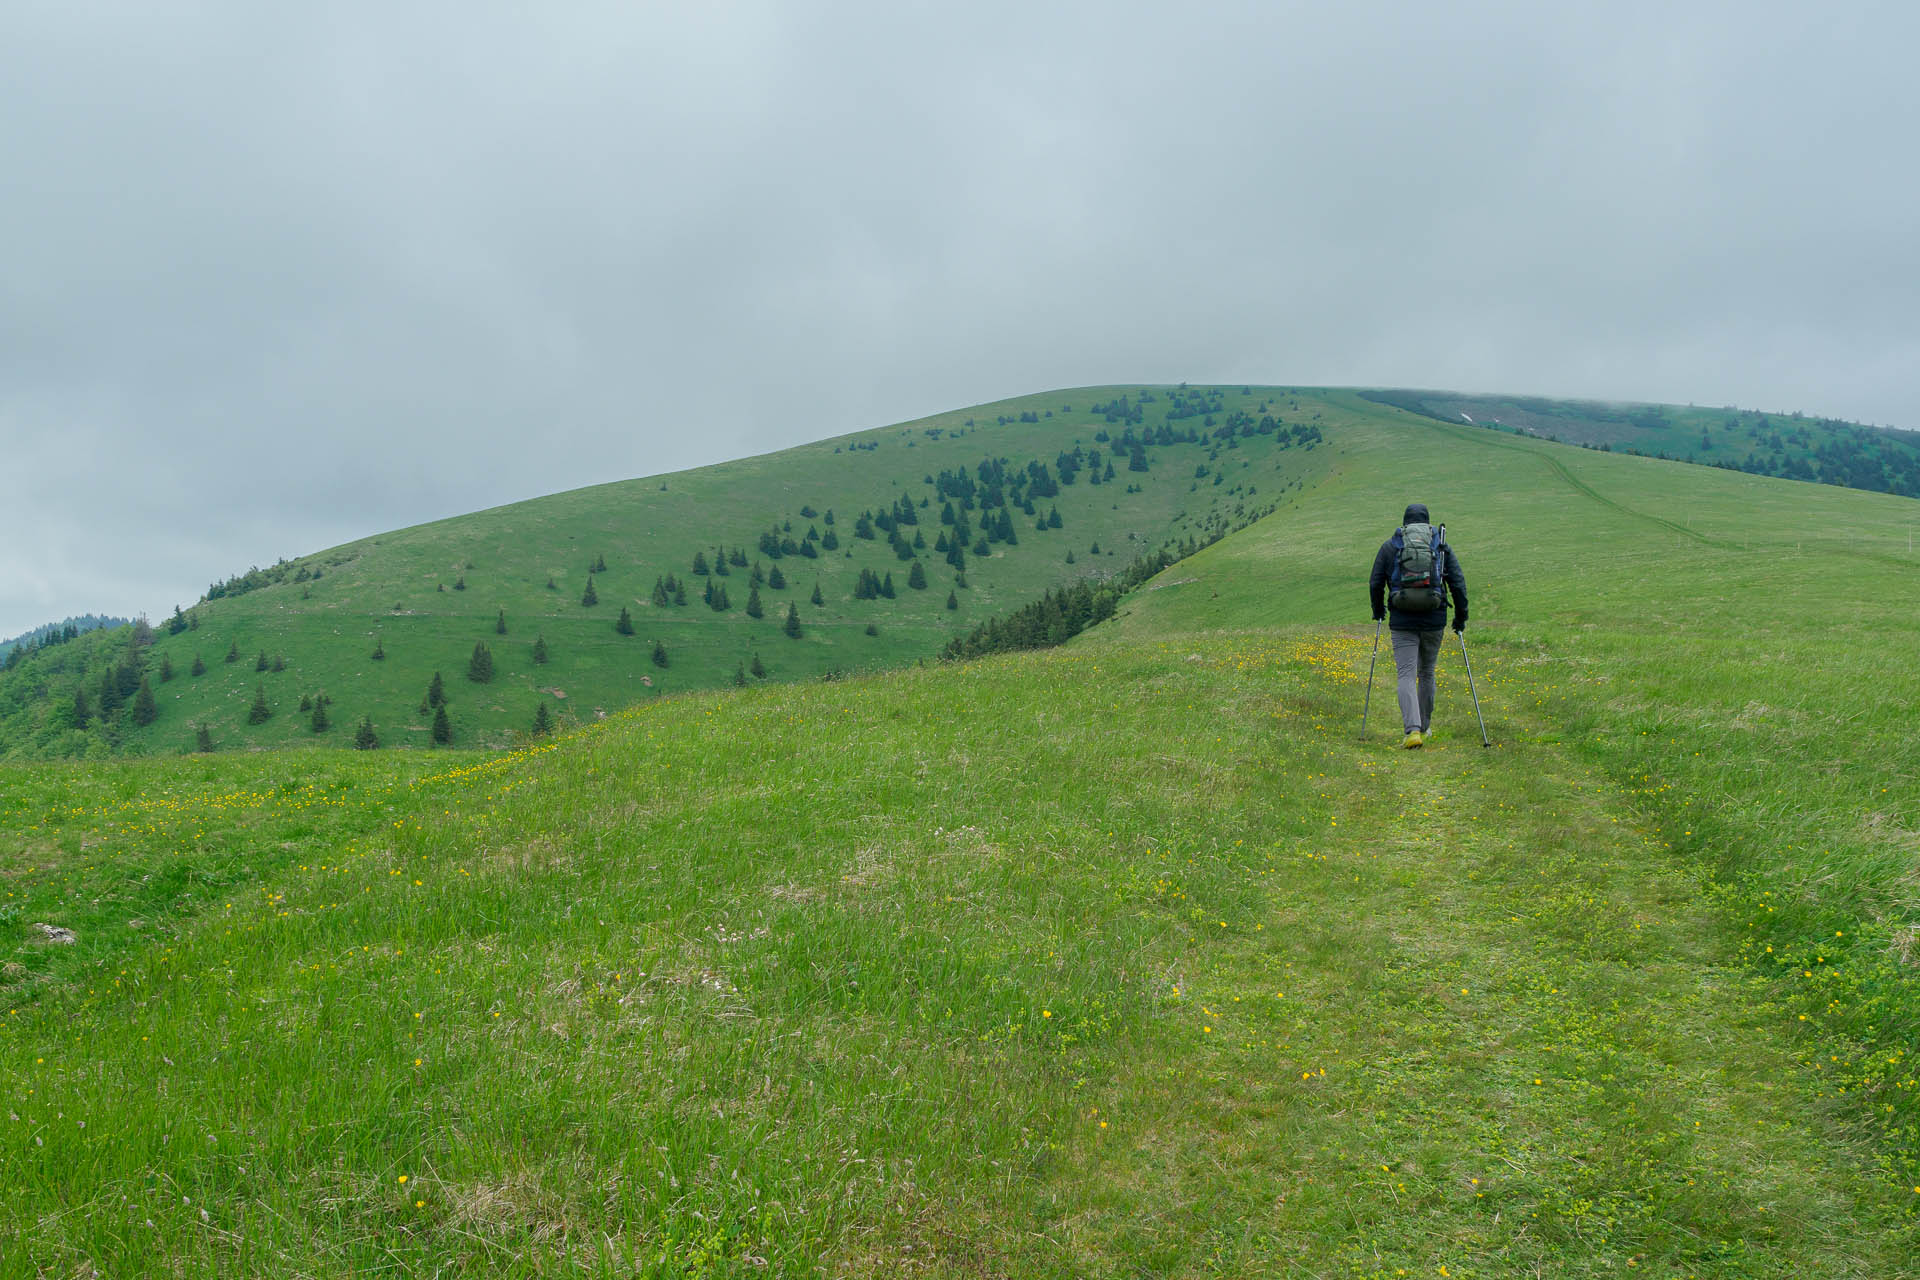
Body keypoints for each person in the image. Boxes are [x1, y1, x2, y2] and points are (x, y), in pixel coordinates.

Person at [1368, 503, 1468, 749]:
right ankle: (1424, 726)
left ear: (1404, 524)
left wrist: (1379, 610)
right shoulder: (1440, 547)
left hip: (1402, 619)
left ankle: (1412, 731)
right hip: (1434, 617)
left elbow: (1375, 582)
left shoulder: (1391, 546)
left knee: (1405, 674)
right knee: (1427, 672)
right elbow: (1458, 583)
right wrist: (1460, 618)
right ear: (1428, 523)